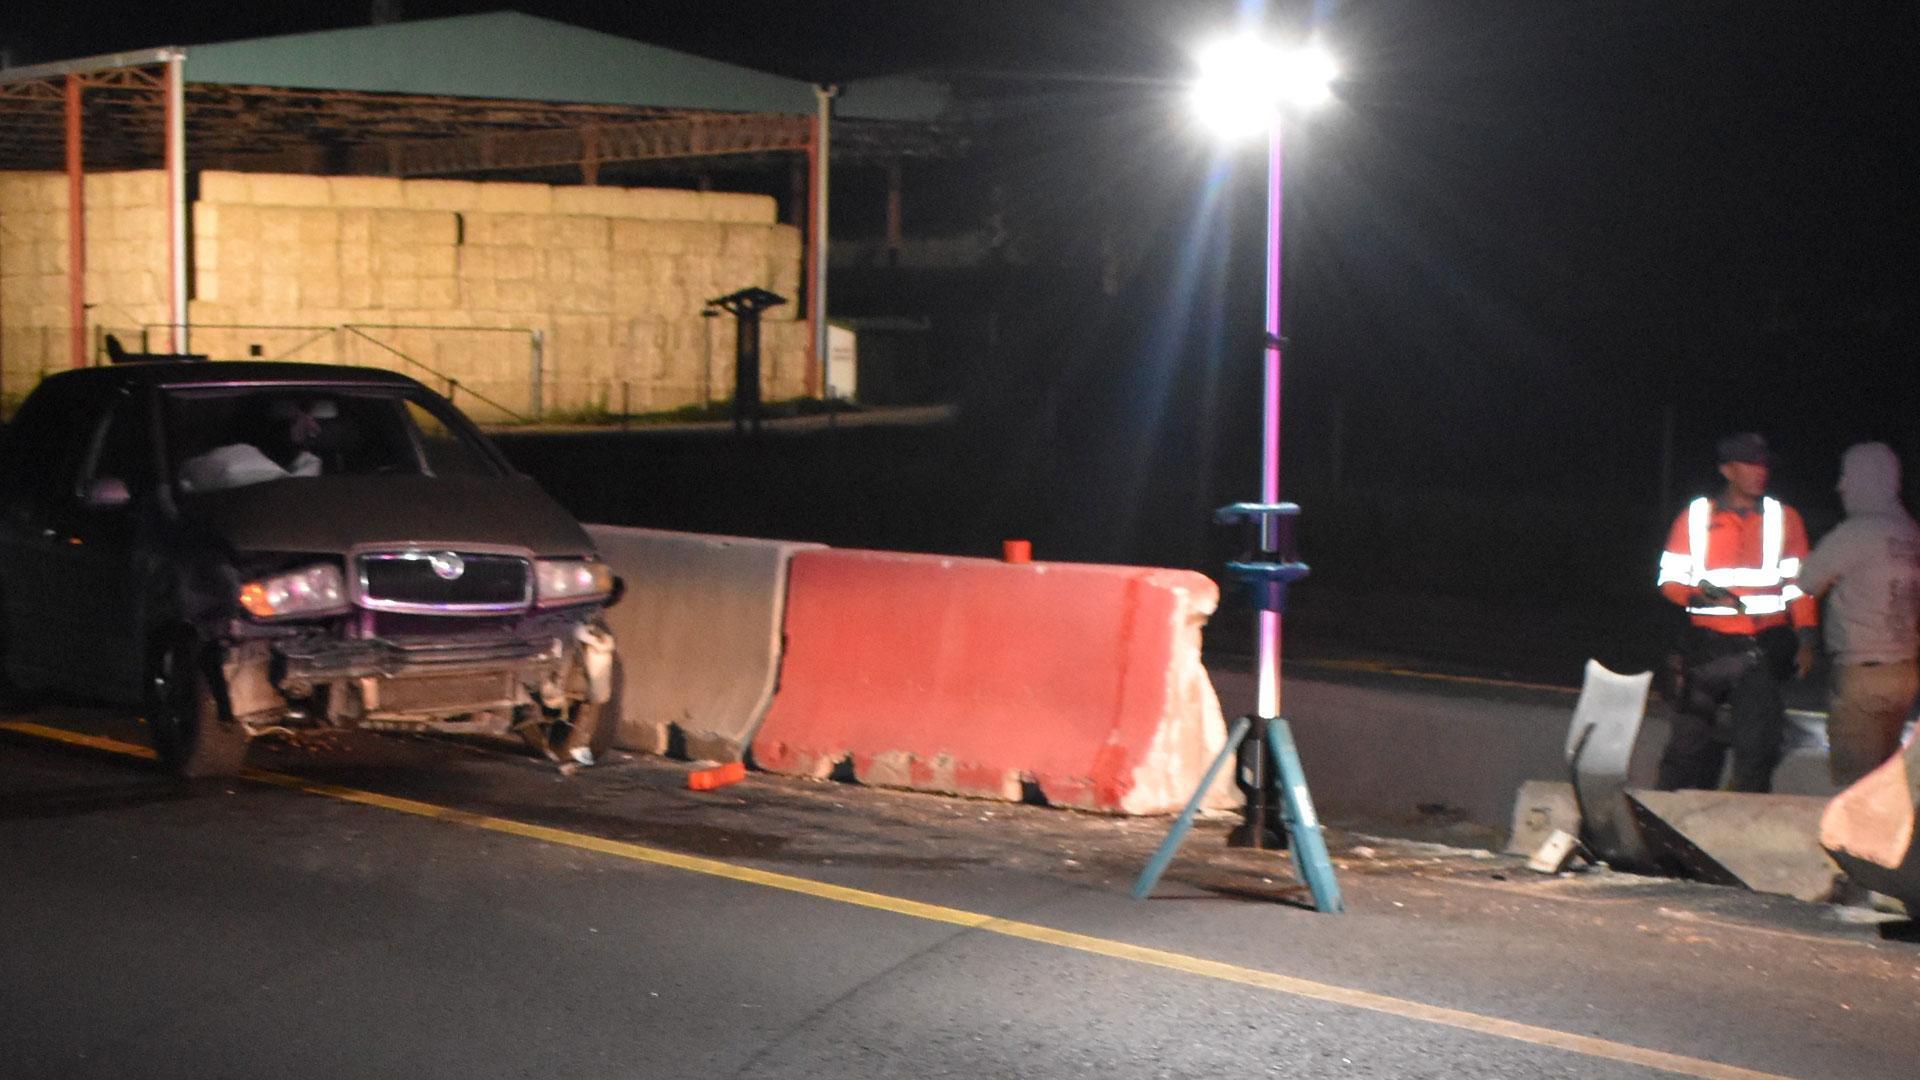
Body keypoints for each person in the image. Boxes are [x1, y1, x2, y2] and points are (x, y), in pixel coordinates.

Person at [1654, 432, 1819, 792]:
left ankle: (1742, 827)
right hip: (1707, 649)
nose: (1760, 472)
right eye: (1750, 464)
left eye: (1763, 464)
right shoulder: (1695, 517)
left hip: (1760, 651)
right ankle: (1670, 824)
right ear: (1727, 470)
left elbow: (1799, 584)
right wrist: (1700, 597)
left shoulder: (1784, 518)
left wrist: (1806, 637)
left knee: (1757, 750)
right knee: (1686, 749)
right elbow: (1669, 580)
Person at [1796, 442, 1920, 787]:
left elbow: (1807, 581)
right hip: (1905, 672)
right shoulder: (1909, 532)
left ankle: (1854, 843)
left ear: (1867, 479)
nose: (1841, 486)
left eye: (1847, 476)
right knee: (1884, 780)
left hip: (1862, 676)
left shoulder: (1857, 532)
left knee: (1855, 786)